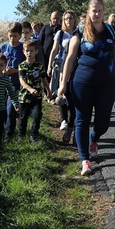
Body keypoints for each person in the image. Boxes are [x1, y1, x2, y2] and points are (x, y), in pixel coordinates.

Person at [58, 0, 115, 176]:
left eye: (100, 11)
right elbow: (70, 58)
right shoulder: (79, 32)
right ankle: (85, 160)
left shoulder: (111, 31)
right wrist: (63, 83)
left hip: (106, 84)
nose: (96, 14)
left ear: (104, 12)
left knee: (103, 123)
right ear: (88, 12)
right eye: (94, 11)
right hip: (82, 83)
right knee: (82, 119)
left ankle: (94, 138)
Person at [47, 10, 77, 143]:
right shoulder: (60, 34)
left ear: (74, 20)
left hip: (76, 68)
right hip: (61, 67)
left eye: (70, 18)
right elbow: (54, 50)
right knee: (62, 95)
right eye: (66, 19)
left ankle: (72, 126)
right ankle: (64, 119)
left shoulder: (79, 34)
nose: (68, 21)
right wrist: (49, 65)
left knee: (74, 99)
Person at [17, 39, 50, 142]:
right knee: (23, 118)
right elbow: (22, 81)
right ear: (23, 51)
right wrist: (30, 89)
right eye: (27, 51)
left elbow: (44, 79)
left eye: (31, 51)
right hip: (24, 97)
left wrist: (48, 90)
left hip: (37, 97)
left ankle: (33, 136)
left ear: (36, 51)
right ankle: (21, 136)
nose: (29, 53)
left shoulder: (39, 66)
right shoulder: (21, 66)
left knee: (36, 116)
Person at [0, 22, 25, 141]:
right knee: (2, 107)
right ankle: (2, 129)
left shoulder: (23, 49)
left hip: (15, 83)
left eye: (15, 36)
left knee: (11, 108)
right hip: (2, 81)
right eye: (10, 36)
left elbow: (26, 67)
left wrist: (15, 70)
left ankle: (9, 134)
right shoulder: (3, 47)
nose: (12, 39)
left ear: (20, 35)